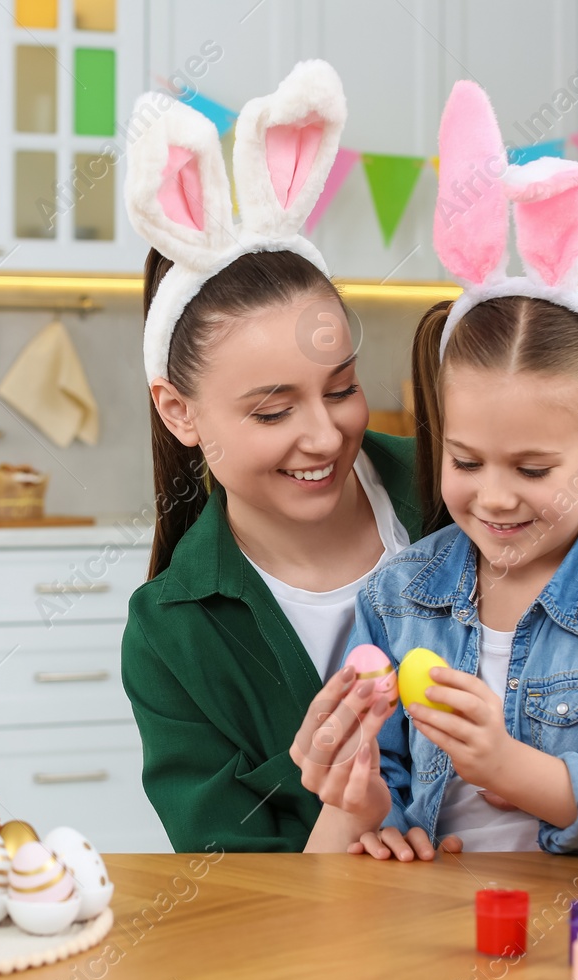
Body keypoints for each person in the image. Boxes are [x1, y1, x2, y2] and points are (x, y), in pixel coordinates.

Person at [292, 81, 578, 860]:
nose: (493, 495)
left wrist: (511, 767)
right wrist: (377, 818)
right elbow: (381, 779)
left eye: (532, 467)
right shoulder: (399, 595)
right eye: (465, 460)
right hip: (434, 930)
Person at [119, 61, 424, 852]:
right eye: (273, 409)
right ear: (178, 412)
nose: (323, 435)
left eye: (343, 388)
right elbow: (231, 896)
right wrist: (345, 819)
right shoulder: (172, 634)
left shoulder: (458, 494)